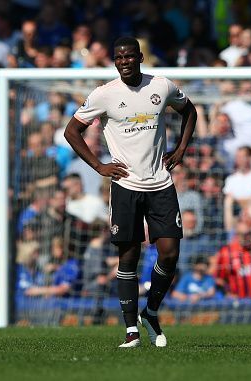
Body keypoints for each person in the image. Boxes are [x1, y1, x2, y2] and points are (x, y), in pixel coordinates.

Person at [64, 36, 197, 348]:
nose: (123, 62)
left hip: (160, 183)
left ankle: (150, 312)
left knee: (170, 252)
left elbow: (189, 112)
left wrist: (180, 150)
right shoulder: (104, 94)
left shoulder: (161, 86)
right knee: (129, 255)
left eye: (128, 57)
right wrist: (99, 166)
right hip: (125, 185)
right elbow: (72, 131)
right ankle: (131, 331)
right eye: (118, 58)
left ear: (139, 57)